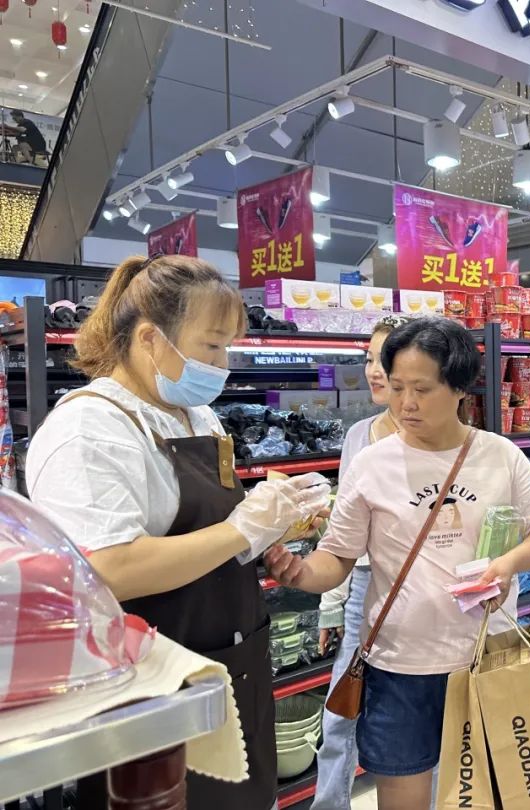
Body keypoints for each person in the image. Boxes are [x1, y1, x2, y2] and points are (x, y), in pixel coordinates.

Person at [25, 255, 331, 809]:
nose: (222, 364)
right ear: (150, 338)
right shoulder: (88, 429)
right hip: (151, 687)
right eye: (211, 346)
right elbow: (109, 569)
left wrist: (263, 541)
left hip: (234, 665)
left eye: (227, 347)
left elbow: (213, 528)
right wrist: (241, 530)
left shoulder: (196, 416)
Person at [265, 317, 530, 810]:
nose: (406, 403)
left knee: (489, 794)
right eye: (398, 386)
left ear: (460, 388)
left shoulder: (500, 456)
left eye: (422, 389)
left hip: (484, 659)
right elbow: (338, 556)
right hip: (399, 665)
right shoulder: (371, 464)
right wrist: (300, 574)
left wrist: (508, 563)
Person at [312, 315, 407, 810]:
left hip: (418, 594)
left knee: (418, 715)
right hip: (363, 588)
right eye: (368, 358)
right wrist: (332, 605)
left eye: (384, 359)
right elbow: (342, 530)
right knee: (339, 714)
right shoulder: (359, 435)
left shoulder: (446, 438)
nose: (373, 370)